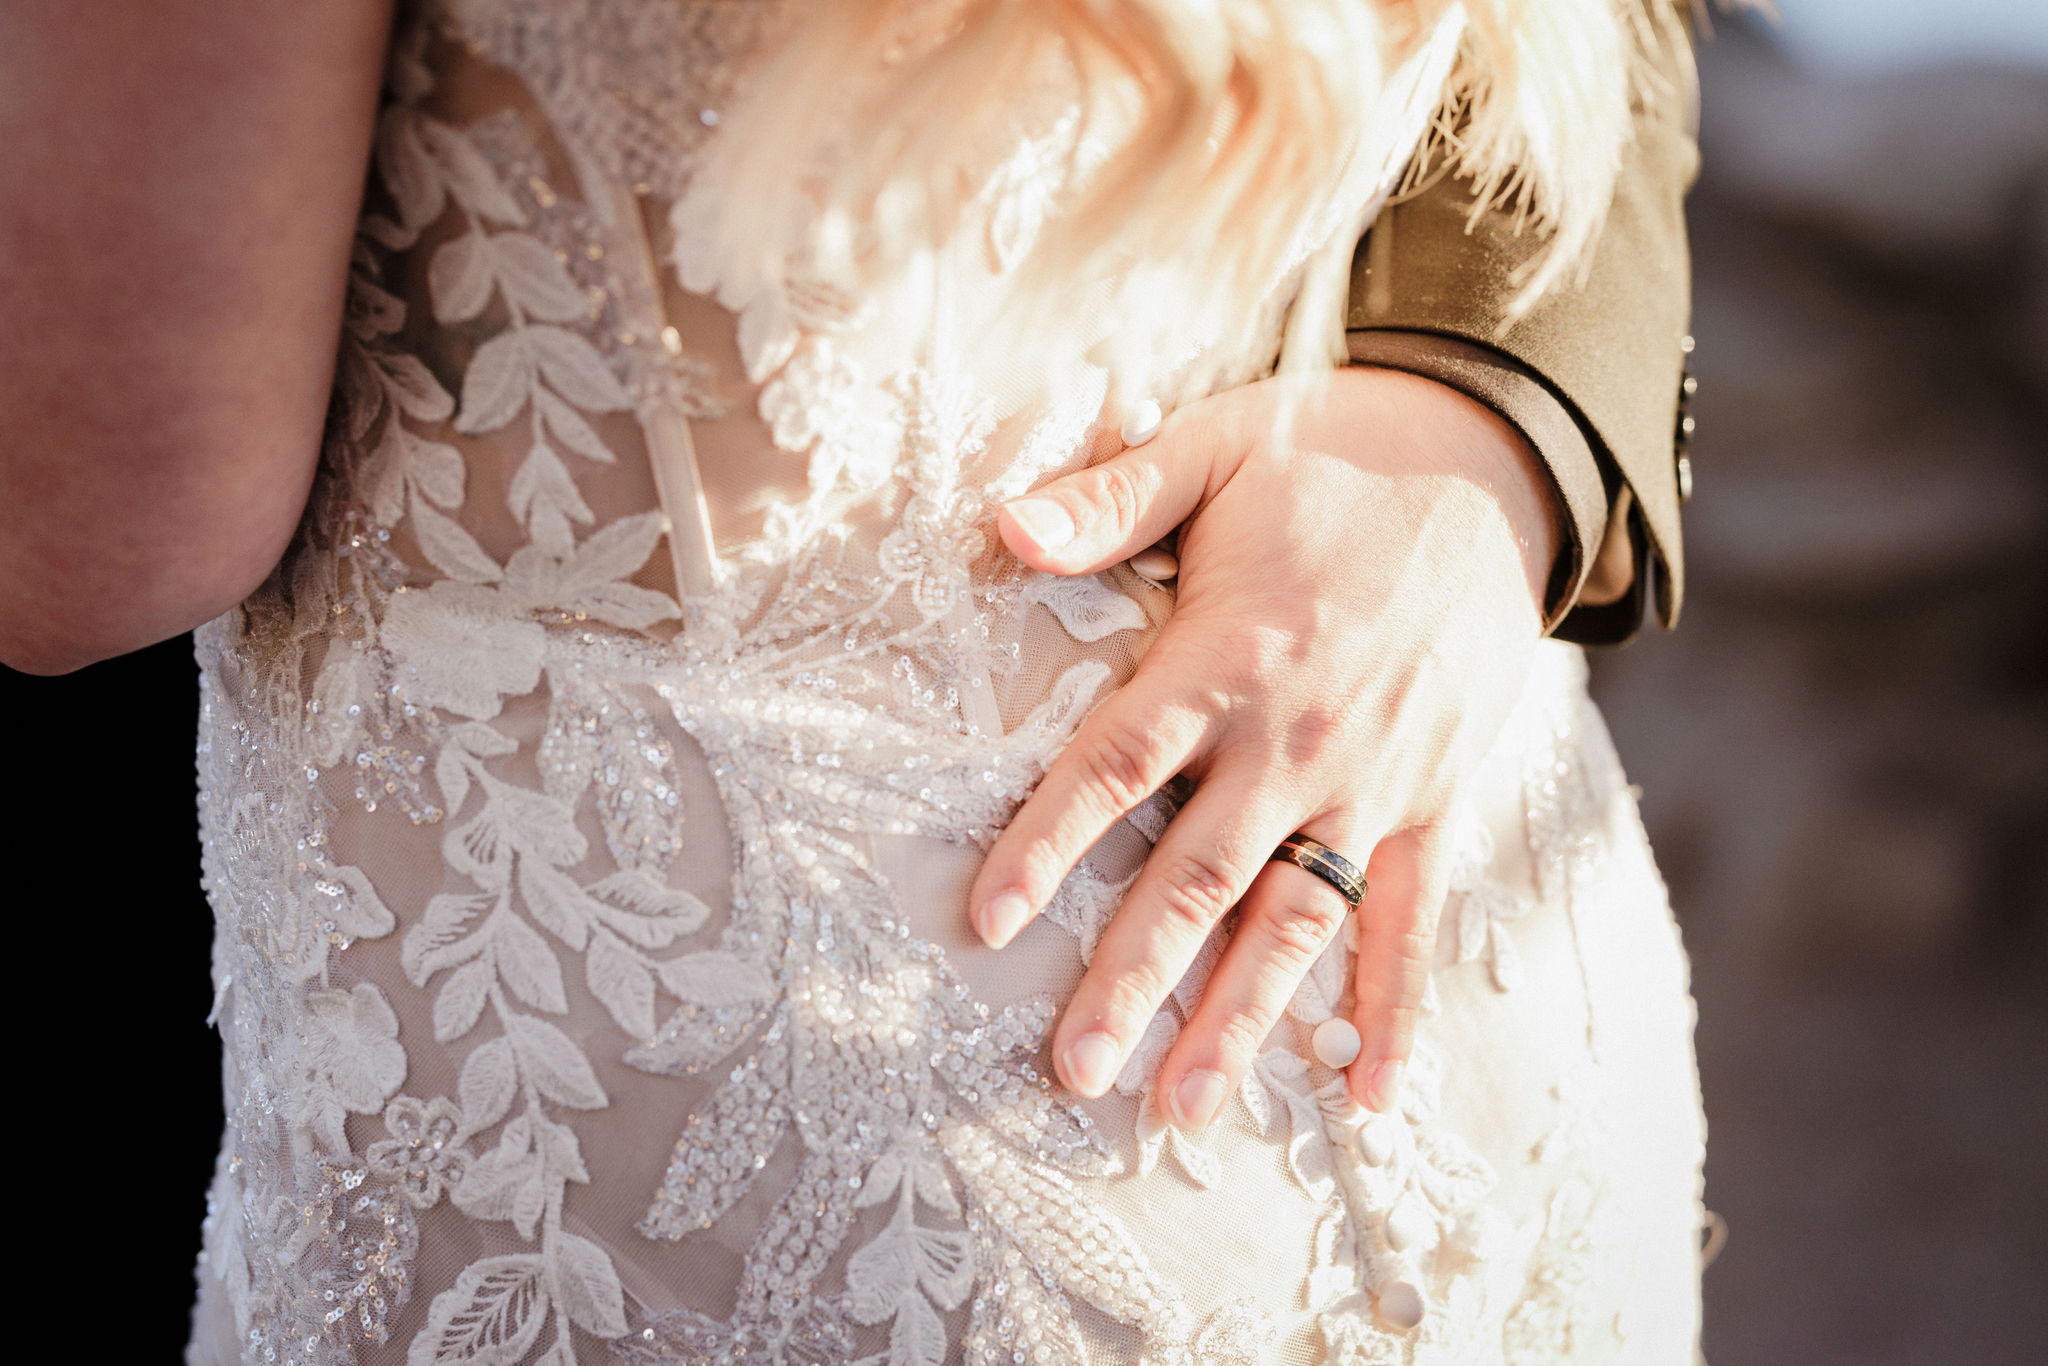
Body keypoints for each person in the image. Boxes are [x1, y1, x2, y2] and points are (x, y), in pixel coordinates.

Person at [0, 2, 1706, 1362]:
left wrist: (1476, 448)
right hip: (1477, 1021)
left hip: (764, 1201)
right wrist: (1481, 442)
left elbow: (85, 530)